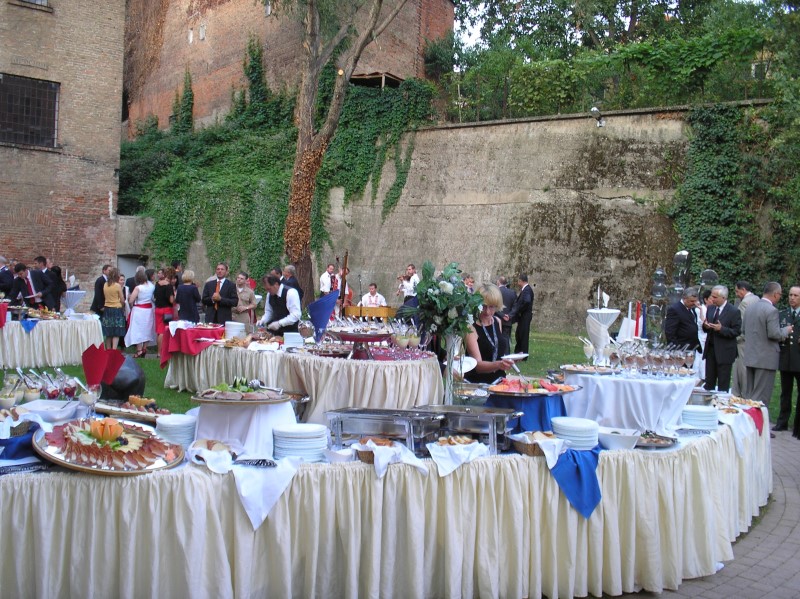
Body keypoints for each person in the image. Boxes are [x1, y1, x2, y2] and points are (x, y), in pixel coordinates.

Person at [742, 282, 791, 409]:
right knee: (761, 398)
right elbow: (774, 334)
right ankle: (760, 421)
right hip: (766, 359)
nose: (780, 297)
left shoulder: (749, 308)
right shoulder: (771, 310)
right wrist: (786, 330)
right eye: (780, 295)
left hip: (750, 356)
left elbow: (743, 330)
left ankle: (750, 420)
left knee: (750, 396)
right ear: (775, 294)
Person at [464, 284, 515, 384]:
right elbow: (478, 366)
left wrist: (511, 359)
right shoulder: (471, 328)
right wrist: (499, 364)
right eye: (483, 306)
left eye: (491, 307)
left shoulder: (497, 321)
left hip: (499, 382)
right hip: (478, 384)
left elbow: (496, 349)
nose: (487, 312)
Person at [702, 285, 742, 392]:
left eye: (715, 297)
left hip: (725, 352)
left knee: (723, 384)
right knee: (709, 382)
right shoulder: (710, 308)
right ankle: (708, 399)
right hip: (710, 350)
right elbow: (707, 326)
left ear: (723, 298)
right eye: (712, 296)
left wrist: (721, 329)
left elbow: (737, 331)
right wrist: (705, 326)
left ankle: (721, 401)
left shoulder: (734, 311)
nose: (712, 299)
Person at [776, 286, 800, 432]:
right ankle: (782, 421)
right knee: (785, 392)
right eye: (790, 295)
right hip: (785, 358)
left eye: (796, 295)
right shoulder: (782, 314)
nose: (792, 298)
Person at [732, 280, 759, 396]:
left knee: (742, 368)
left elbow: (741, 324)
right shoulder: (757, 299)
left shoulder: (744, 303)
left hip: (743, 341)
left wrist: (736, 338)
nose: (736, 294)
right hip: (755, 340)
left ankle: (742, 393)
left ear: (743, 290)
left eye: (737, 291)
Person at [124, 269, 156, 358]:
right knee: (147, 329)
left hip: (139, 310)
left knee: (138, 329)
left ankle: (139, 350)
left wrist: (130, 298)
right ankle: (145, 348)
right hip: (148, 310)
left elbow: (131, 300)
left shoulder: (138, 288)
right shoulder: (152, 286)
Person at [505, 274, 534, 360]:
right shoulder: (526, 289)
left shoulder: (527, 290)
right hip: (524, 316)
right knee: (519, 334)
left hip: (525, 316)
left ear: (521, 281)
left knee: (523, 335)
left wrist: (520, 310)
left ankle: (523, 355)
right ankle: (518, 352)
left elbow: (527, 301)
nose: (518, 283)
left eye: (518, 281)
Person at [100, 267, 126, 350]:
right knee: (116, 332)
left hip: (107, 309)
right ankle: (114, 350)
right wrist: (122, 305)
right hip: (116, 309)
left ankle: (108, 349)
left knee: (108, 331)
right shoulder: (117, 286)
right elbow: (122, 299)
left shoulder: (105, 284)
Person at [153, 266, 176, 355]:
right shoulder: (169, 286)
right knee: (162, 331)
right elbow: (171, 300)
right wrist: (175, 297)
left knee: (159, 331)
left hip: (158, 309)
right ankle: (160, 352)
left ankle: (159, 351)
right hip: (166, 310)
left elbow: (155, 297)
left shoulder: (157, 284)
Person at [496, 276, 516, 346]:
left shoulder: (496, 291)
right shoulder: (512, 292)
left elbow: (494, 306)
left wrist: (502, 315)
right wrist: (509, 316)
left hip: (497, 319)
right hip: (507, 321)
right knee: (506, 341)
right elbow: (515, 306)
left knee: (496, 340)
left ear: (498, 282)